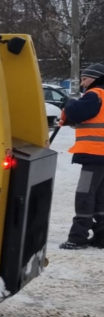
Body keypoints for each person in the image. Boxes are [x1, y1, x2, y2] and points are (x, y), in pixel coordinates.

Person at [59, 63, 104, 249]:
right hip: (100, 156)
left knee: (84, 194)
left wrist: (69, 103)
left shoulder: (95, 95)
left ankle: (78, 237)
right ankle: (101, 236)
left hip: (95, 153)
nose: (82, 83)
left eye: (85, 79)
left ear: (95, 78)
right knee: (100, 196)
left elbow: (78, 112)